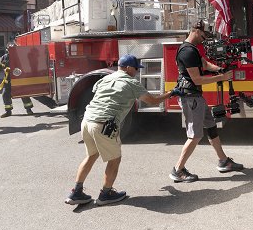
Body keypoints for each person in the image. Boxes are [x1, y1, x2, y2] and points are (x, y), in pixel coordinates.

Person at [65, 54, 178, 206]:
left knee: (91, 155)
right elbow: (152, 101)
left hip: (87, 120)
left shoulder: (104, 79)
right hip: (104, 124)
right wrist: (172, 93)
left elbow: (99, 94)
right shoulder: (131, 83)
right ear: (129, 68)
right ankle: (106, 193)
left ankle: (76, 192)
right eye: (136, 69)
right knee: (114, 159)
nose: (137, 72)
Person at [170, 19, 244, 183]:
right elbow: (196, 79)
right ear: (196, 30)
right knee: (195, 136)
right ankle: (178, 170)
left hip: (195, 97)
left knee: (211, 126)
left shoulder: (192, 49)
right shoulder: (187, 52)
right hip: (190, 97)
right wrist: (222, 77)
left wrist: (218, 68)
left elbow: (204, 64)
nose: (205, 38)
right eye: (204, 34)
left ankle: (223, 161)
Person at [0, 43, 34, 117]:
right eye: (10, 50)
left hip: (20, 79)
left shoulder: (21, 57)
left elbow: (27, 66)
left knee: (23, 94)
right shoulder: (4, 57)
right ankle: (8, 111)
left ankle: (29, 109)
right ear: (7, 50)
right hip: (8, 80)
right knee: (5, 95)